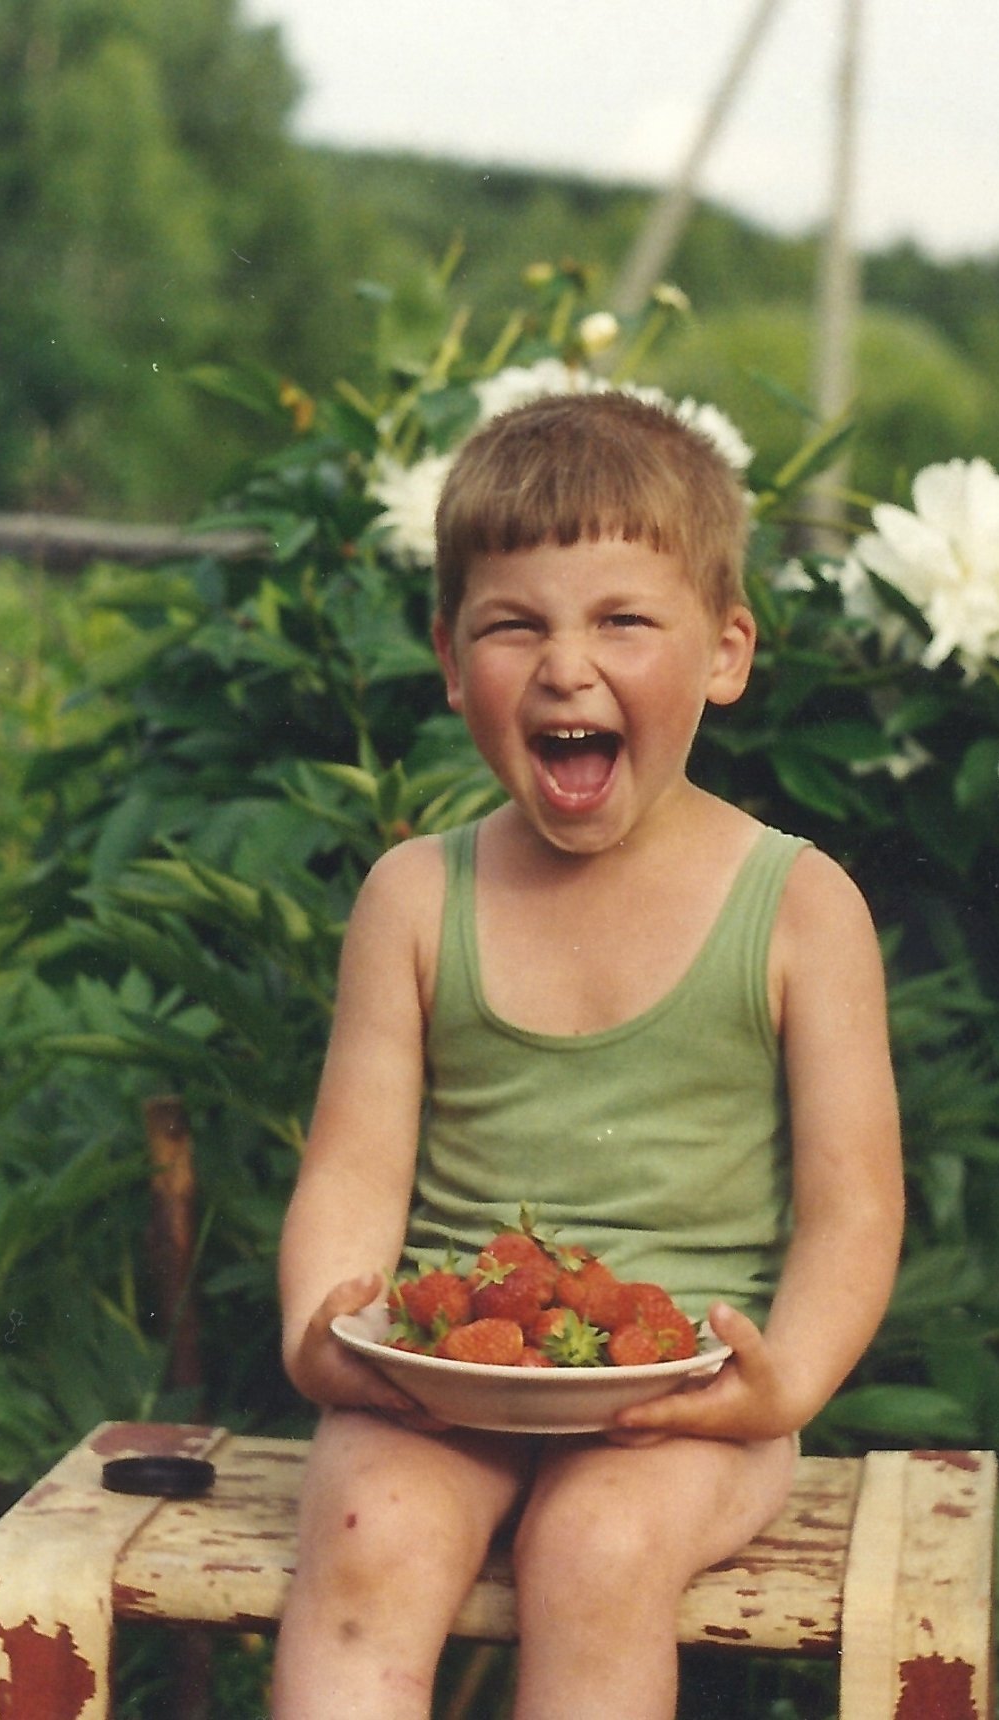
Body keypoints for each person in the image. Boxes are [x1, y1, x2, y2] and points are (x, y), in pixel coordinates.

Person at [271, 388, 904, 1720]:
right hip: (449, 1372)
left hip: (689, 1399)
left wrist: (779, 1381)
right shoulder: (413, 898)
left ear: (727, 652)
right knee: (365, 1539)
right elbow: (351, 1170)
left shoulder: (796, 906)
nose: (567, 666)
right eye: (517, 624)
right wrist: (328, 1328)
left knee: (596, 1551)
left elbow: (855, 1214)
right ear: (452, 662)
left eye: (623, 619)